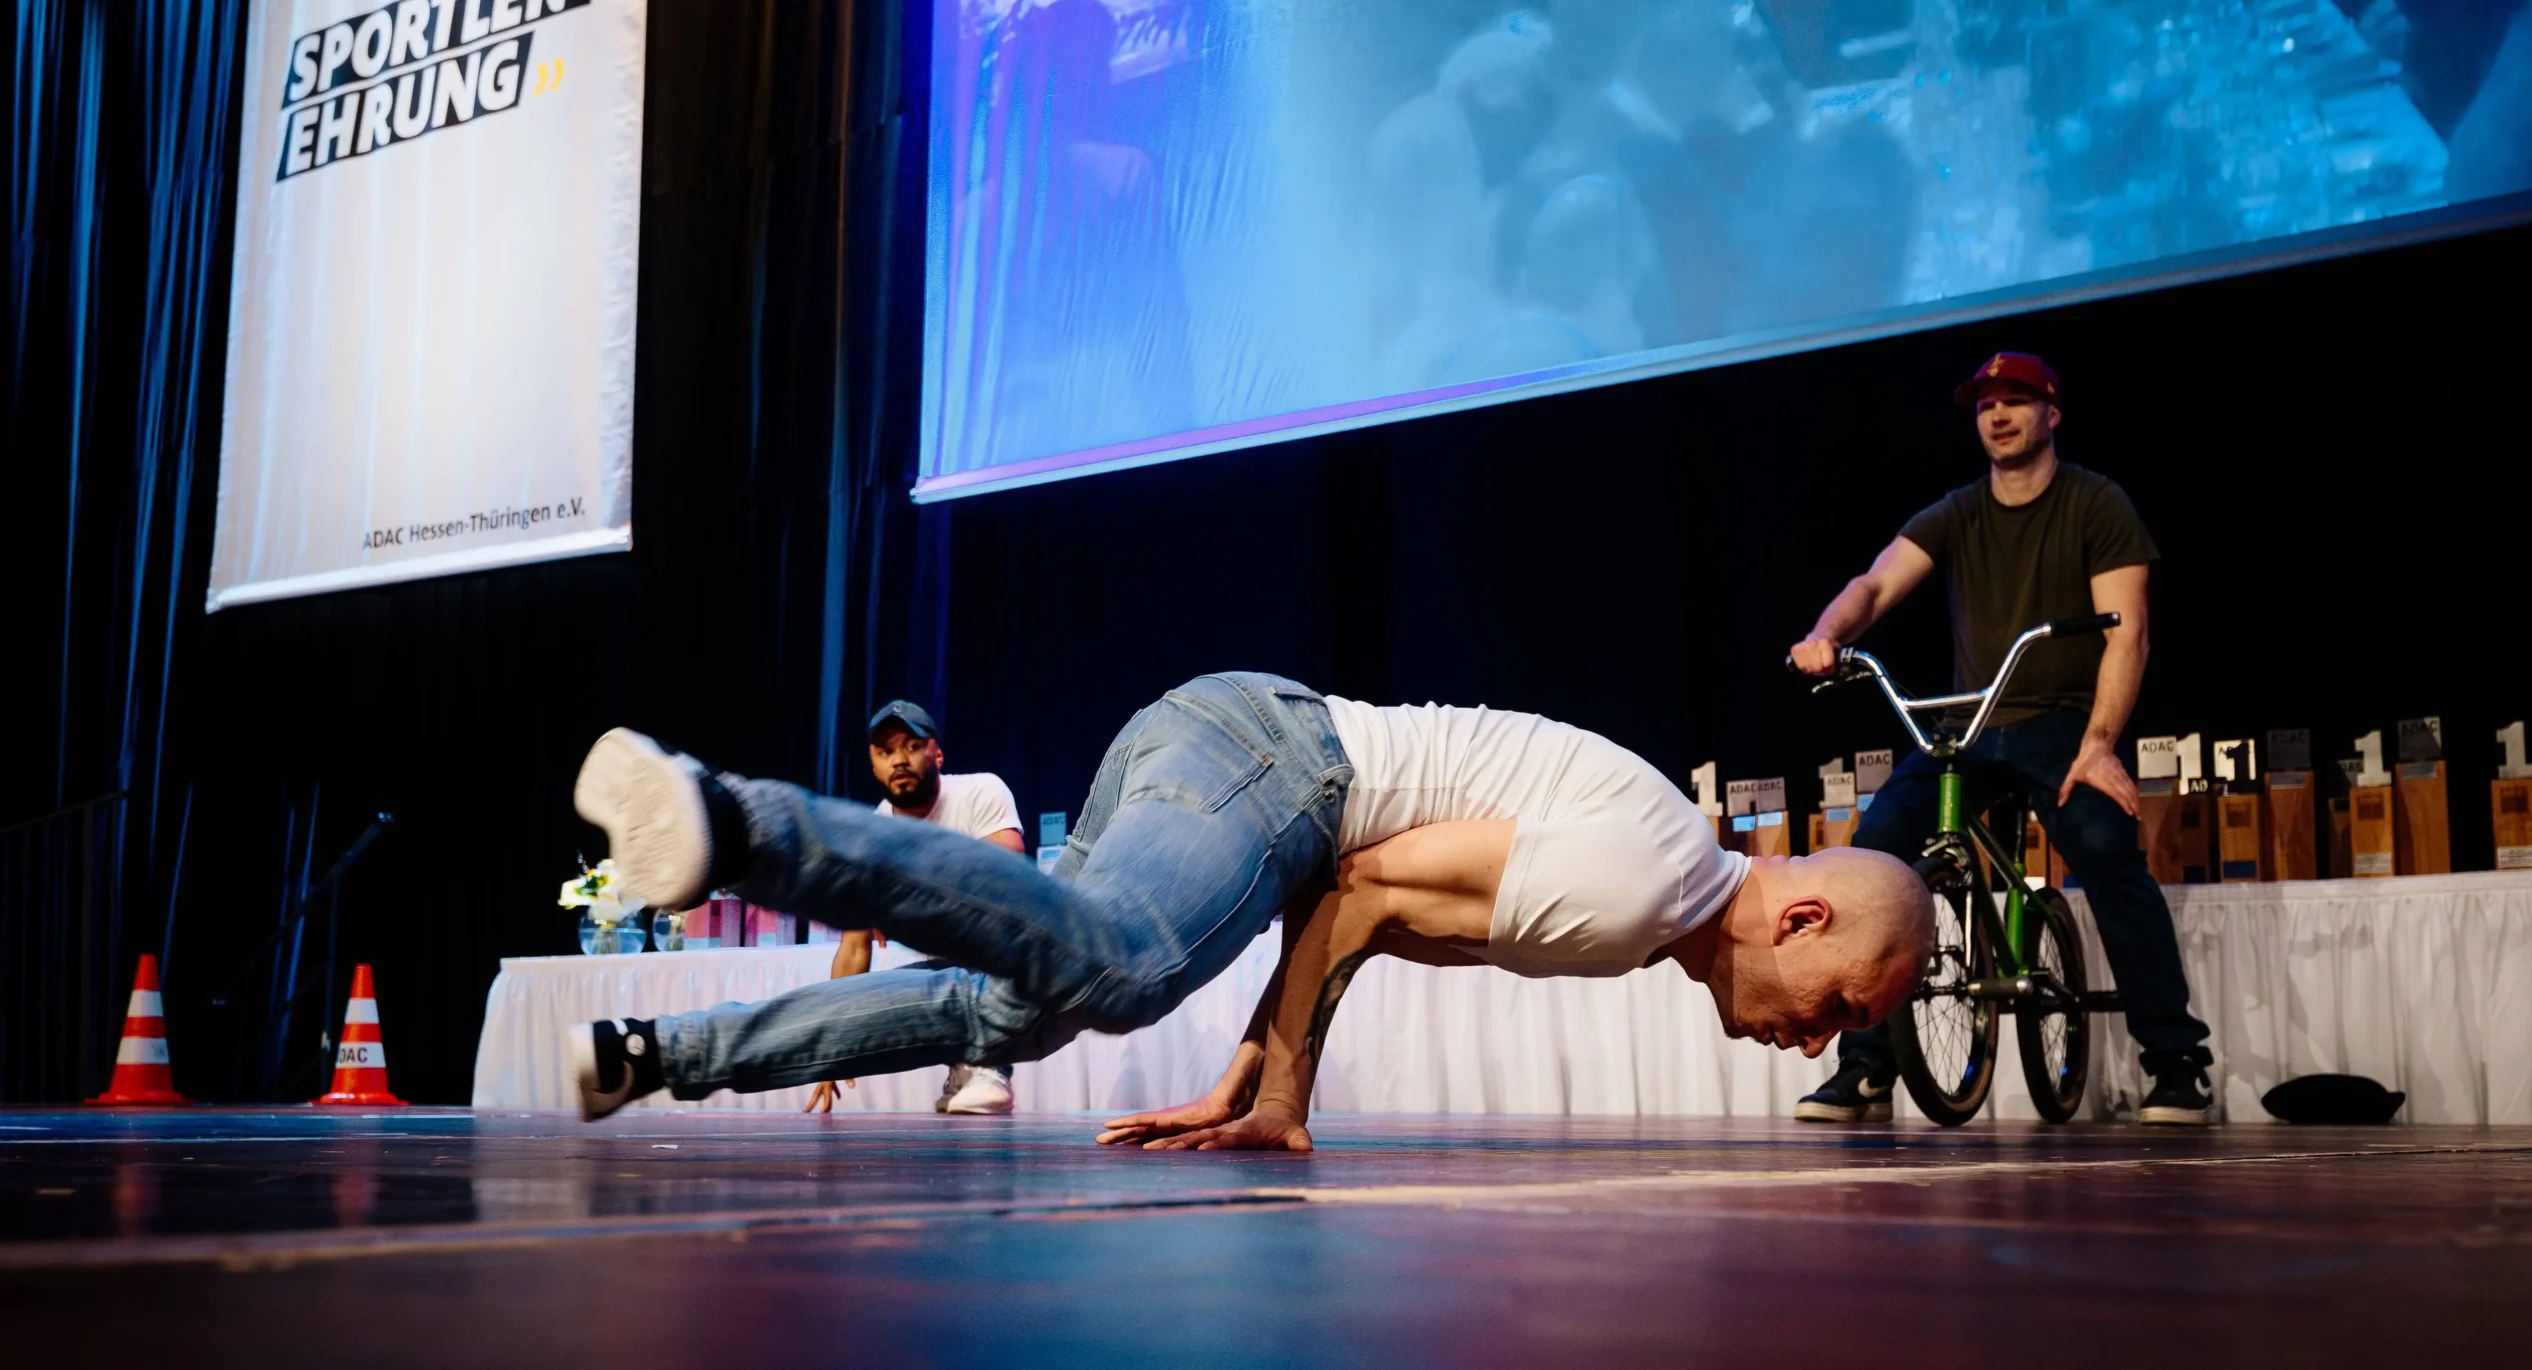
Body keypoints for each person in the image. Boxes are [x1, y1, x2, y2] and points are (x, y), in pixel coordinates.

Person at [564, 673, 1934, 1147]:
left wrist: (1259, 1070)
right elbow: (1365, 880)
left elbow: (1379, 917)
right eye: (1839, 1012)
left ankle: (658, 1052)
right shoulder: (1649, 888)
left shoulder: (1659, 880)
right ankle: (739, 820)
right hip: (1274, 767)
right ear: (1802, 921)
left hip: (1235, 753)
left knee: (1011, 1012)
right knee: (1123, 964)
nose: (1815, 1042)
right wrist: (1284, 1084)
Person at [1787, 352, 2215, 1126]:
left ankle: (2176, 1059)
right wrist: (1826, 633)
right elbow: (1875, 585)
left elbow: (2131, 634)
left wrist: (2099, 743)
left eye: (2017, 400)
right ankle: (1869, 1068)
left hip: (2062, 727)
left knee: (2107, 849)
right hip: (1972, 727)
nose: (1998, 414)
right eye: (1986, 404)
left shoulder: (2096, 503)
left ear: (2053, 413)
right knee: (1875, 850)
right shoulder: (1957, 513)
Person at [804, 700, 1025, 1116]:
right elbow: (854, 948)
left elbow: (1007, 866)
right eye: (885, 752)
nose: (899, 760)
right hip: (946, 971)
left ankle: (990, 1064)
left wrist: (905, 894)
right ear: (872, 765)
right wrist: (831, 1044)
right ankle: (964, 1060)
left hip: (1017, 959)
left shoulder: (980, 790)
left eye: (911, 745)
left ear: (937, 753)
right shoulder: (874, 837)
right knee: (904, 984)